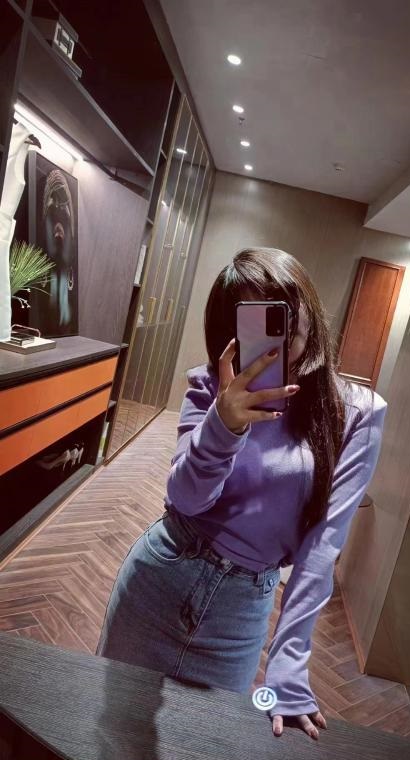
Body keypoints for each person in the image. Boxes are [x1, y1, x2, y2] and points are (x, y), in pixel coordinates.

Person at [97, 247, 387, 740]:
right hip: (161, 575)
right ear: (233, 330)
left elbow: (323, 546)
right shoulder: (210, 387)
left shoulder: (356, 412)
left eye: (285, 306)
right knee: (112, 732)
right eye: (259, 316)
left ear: (308, 305)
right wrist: (224, 425)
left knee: (203, 741)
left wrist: (288, 665)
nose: (281, 326)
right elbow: (187, 499)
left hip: (242, 610)